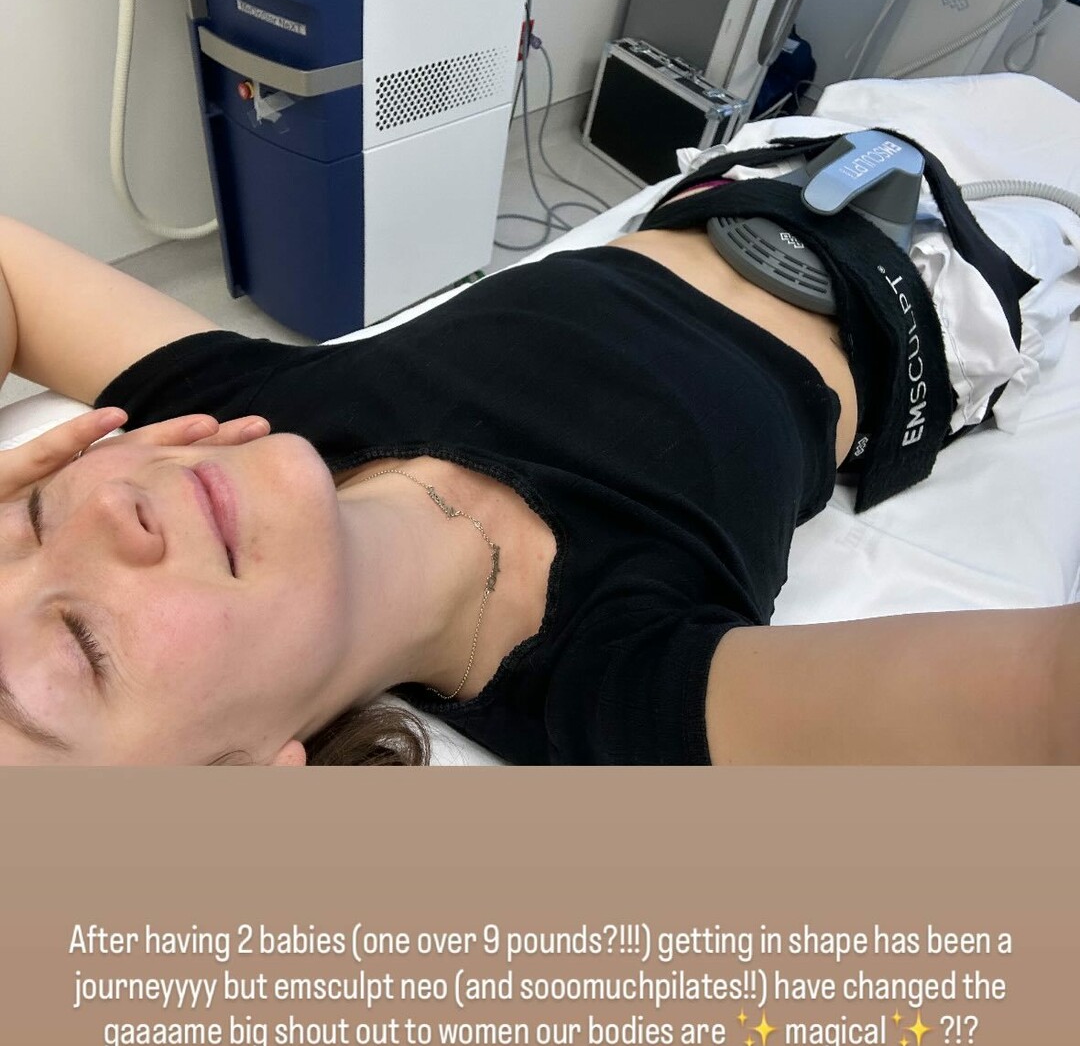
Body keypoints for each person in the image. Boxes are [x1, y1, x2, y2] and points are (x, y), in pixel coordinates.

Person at [0, 208, 1073, 768]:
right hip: (935, 290)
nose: (102, 509)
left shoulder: (244, 415)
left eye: (29, 512)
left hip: (746, 185)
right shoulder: (624, 686)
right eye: (81, 646)